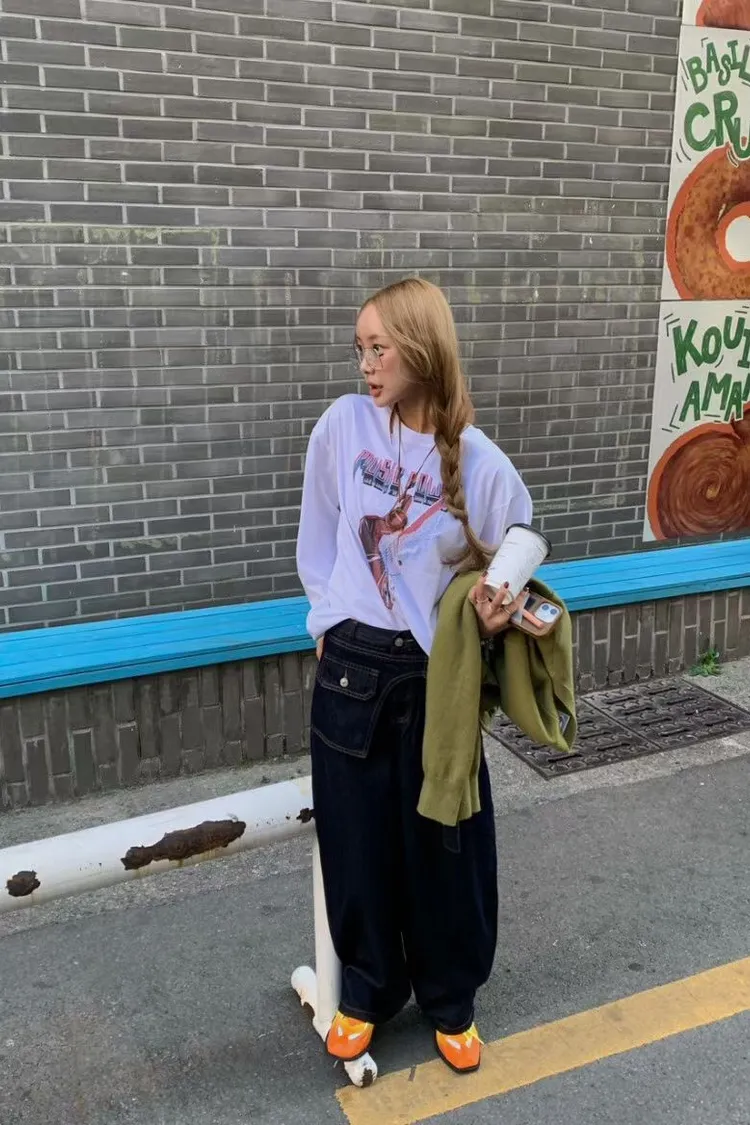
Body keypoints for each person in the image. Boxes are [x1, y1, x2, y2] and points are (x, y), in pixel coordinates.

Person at [296, 277, 532, 1075]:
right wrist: (326, 623)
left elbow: (511, 564)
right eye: (359, 349)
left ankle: (451, 996)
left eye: (379, 348)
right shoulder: (343, 426)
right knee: (354, 839)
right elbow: (319, 533)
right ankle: (365, 991)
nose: (366, 364)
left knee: (447, 844)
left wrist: (495, 616)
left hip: (437, 676)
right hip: (351, 667)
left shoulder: (482, 463)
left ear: (422, 349)